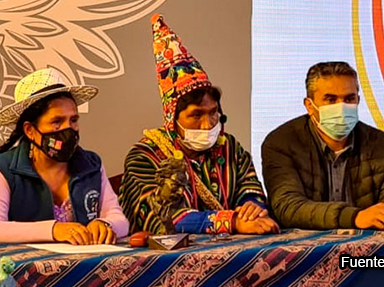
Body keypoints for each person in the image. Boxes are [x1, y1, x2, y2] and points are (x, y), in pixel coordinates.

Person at [119, 14, 278, 236]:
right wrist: (231, 222)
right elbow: (163, 218)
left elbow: (250, 190)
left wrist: (252, 208)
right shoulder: (144, 156)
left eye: (213, 112)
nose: (207, 125)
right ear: (172, 119)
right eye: (196, 115)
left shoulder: (229, 147)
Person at [0, 68, 128, 245]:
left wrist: (105, 224)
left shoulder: (91, 164)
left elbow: (119, 218)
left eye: (73, 120)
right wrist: (53, 230)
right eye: (57, 122)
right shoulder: (1, 170)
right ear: (30, 130)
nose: (68, 129)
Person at [261, 61, 384, 231]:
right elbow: (288, 208)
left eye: (349, 99)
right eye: (331, 100)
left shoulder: (383, 145)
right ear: (309, 106)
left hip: (367, 246)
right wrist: (354, 217)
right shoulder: (281, 143)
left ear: (358, 100)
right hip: (303, 246)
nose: (341, 107)